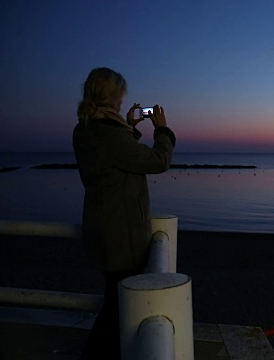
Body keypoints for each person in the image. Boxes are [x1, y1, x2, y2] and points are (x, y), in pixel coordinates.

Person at [72, 67, 176, 359]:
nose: (123, 100)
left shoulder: (85, 128)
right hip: (121, 235)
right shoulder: (110, 135)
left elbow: (116, 156)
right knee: (117, 310)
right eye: (121, 94)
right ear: (115, 95)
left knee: (113, 301)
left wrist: (128, 126)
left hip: (102, 228)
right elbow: (158, 161)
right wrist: (163, 130)